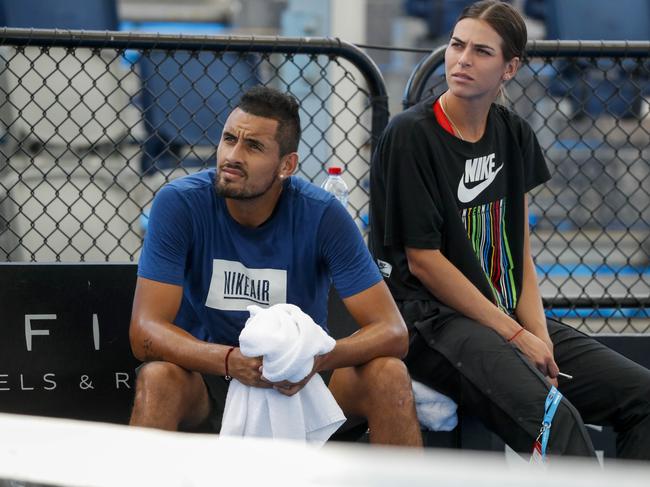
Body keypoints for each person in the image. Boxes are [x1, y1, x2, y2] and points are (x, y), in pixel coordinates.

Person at [369, 0, 650, 459]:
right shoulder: (410, 134)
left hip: (503, 317)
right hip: (433, 322)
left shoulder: (513, 132)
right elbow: (423, 261)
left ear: (509, 68)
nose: (462, 60)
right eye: (457, 45)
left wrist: (536, 331)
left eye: (481, 51)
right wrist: (516, 336)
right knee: (554, 420)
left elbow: (516, 245)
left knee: (643, 396)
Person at [128, 85, 422, 447]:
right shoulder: (179, 203)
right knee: (157, 380)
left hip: (301, 381)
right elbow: (144, 332)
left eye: (253, 147)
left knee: (388, 375)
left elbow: (393, 332)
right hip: (210, 377)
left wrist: (315, 359)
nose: (233, 155)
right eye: (229, 138)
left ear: (287, 165)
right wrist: (228, 361)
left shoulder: (323, 214)